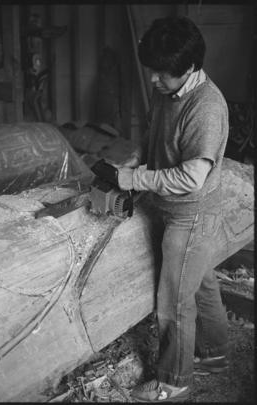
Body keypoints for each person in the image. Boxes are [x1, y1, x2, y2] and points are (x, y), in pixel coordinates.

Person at [117, 16, 229, 402]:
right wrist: (136, 159)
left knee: (174, 298)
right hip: (172, 207)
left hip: (191, 212)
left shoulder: (207, 107)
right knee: (201, 282)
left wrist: (136, 181)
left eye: (162, 73)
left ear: (191, 68)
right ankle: (214, 355)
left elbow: (190, 178)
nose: (153, 79)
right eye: (153, 70)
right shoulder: (169, 89)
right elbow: (154, 133)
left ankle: (173, 381)